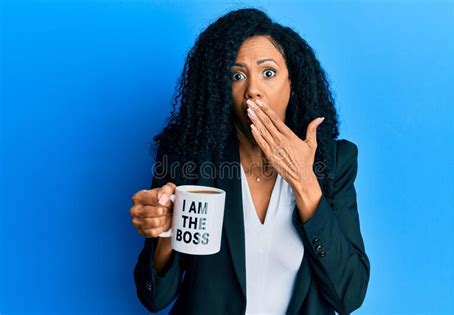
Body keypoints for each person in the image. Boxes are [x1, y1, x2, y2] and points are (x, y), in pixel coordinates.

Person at [130, 7, 370, 315]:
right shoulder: (189, 157)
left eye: (268, 73)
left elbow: (349, 295)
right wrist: (165, 232)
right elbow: (155, 298)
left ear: (292, 82)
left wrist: (305, 182)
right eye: (237, 75)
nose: (252, 90)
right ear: (220, 89)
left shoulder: (335, 162)